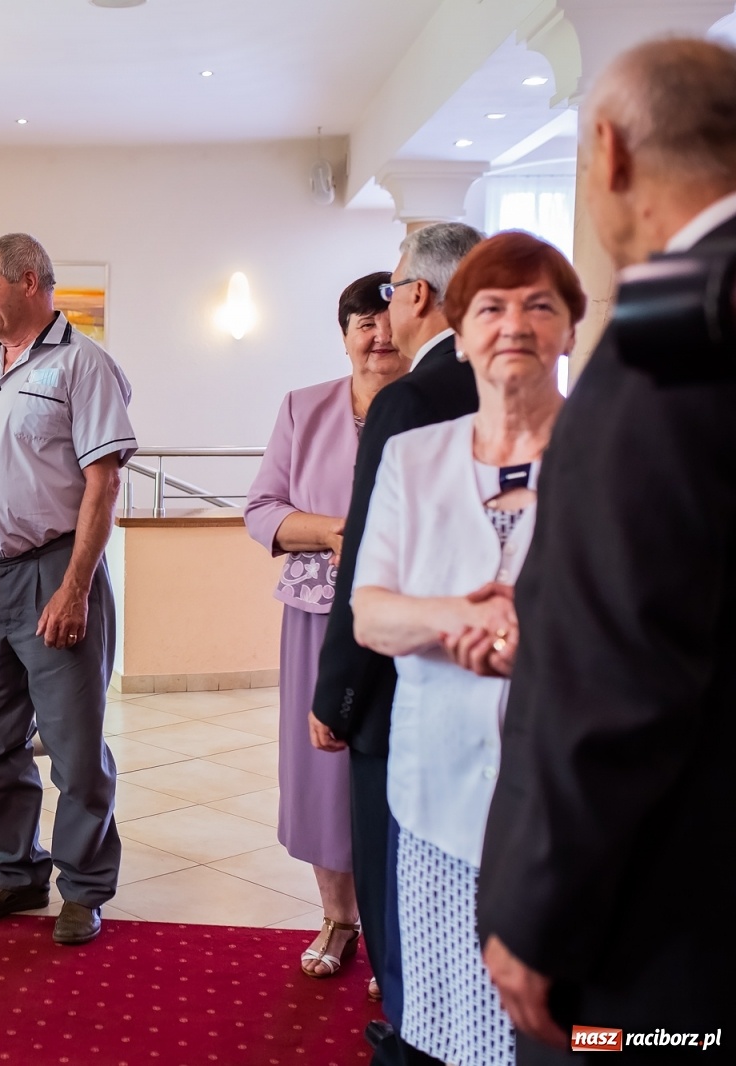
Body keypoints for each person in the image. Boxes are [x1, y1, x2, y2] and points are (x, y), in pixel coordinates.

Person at [478, 38, 736, 1060]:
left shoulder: (666, 346)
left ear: (609, 149)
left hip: (657, 926)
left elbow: (619, 671)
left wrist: (540, 909)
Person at [350, 231, 583, 1066]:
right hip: (438, 798)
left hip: (574, 807)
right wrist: (458, 618)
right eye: (490, 306)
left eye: (539, 304)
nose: (513, 323)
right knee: (450, 1026)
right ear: (460, 320)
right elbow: (369, 613)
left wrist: (543, 645)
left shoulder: (607, 457)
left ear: (570, 329)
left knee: (577, 1032)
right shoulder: (414, 457)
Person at [0, 233, 137, 947]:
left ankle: (83, 888)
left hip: (56, 571)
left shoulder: (85, 366)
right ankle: (18, 871)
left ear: (26, 280)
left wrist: (76, 587)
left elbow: (103, 484)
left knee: (75, 748)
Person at [308, 220, 482, 1050]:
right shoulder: (519, 389)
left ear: (416, 294)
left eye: (394, 289)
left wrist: (337, 695)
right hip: (495, 680)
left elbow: (371, 566)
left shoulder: (409, 400)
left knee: (395, 877)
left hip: (405, 684)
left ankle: (412, 1031)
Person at [244, 272, 407, 980]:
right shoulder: (302, 407)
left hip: (404, 617)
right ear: (344, 337)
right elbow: (262, 511)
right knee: (320, 768)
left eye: (388, 319)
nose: (379, 335)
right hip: (317, 615)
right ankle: (338, 919)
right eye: (362, 323)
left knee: (395, 770)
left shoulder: (430, 406)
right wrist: (335, 532)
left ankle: (395, 935)